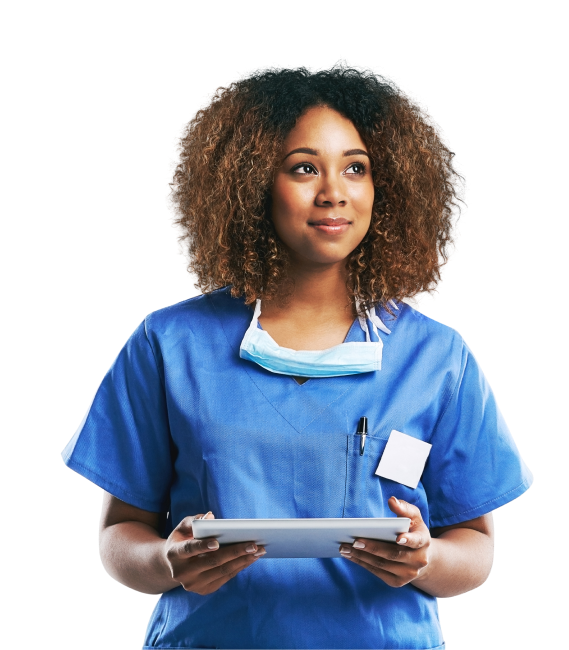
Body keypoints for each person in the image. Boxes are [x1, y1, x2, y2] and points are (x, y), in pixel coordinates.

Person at [60, 61, 533, 649]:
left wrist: (425, 559)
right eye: (304, 168)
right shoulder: (167, 344)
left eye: (356, 168)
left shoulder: (436, 356)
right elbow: (120, 535)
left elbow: (476, 547)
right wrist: (168, 562)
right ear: (253, 182)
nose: (333, 192)